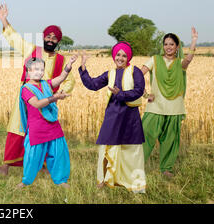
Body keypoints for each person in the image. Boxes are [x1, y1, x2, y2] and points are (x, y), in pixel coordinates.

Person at [0, 3, 75, 176]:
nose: (51, 40)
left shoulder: (60, 60)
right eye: (48, 36)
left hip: (44, 102)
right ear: (44, 37)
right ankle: (5, 167)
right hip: (26, 99)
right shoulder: (32, 50)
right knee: (17, 129)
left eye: (54, 38)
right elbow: (15, 39)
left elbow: (68, 80)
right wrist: (4, 20)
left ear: (58, 41)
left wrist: (58, 94)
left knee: (43, 132)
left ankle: (43, 166)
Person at [78, 42, 147, 193]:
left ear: (128, 57)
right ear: (114, 56)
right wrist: (83, 67)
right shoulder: (110, 73)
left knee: (131, 148)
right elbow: (93, 84)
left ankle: (134, 182)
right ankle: (104, 179)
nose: (120, 58)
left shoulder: (135, 71)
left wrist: (120, 94)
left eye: (124, 55)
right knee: (107, 146)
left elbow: (139, 90)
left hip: (130, 116)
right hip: (113, 115)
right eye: (118, 55)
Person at [140, 27, 198, 178]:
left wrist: (193, 41)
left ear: (177, 47)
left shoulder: (180, 63)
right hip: (155, 107)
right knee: (144, 135)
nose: (168, 47)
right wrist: (146, 94)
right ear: (163, 46)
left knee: (170, 140)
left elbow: (189, 59)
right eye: (166, 44)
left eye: (172, 44)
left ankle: (166, 169)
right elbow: (138, 76)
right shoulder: (154, 60)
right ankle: (136, 167)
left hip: (174, 108)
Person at [17, 56, 76, 188]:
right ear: (28, 71)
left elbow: (61, 78)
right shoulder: (26, 89)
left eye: (42, 69)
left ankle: (60, 180)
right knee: (33, 156)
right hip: (37, 128)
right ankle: (26, 181)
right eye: (36, 69)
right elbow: (37, 104)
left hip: (53, 126)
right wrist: (54, 97)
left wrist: (69, 65)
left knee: (58, 153)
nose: (39, 72)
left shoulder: (45, 84)